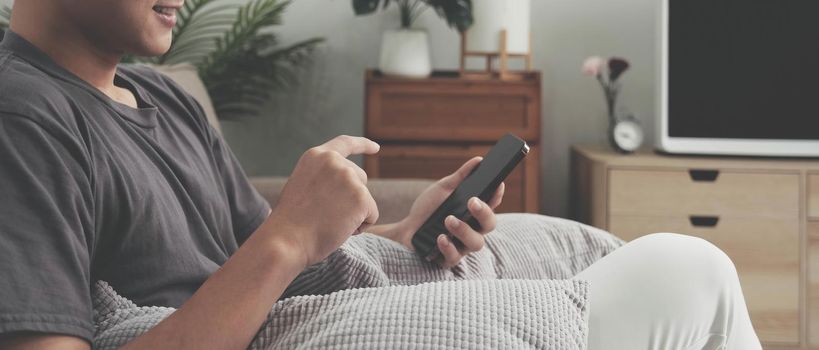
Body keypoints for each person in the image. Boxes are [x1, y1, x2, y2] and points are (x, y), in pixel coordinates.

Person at [0, 1, 762, 349]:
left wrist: (404, 234)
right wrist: (294, 230)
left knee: (607, 253)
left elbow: (257, 260)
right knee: (684, 271)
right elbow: (275, 252)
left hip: (287, 310)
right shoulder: (24, 117)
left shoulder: (162, 94)